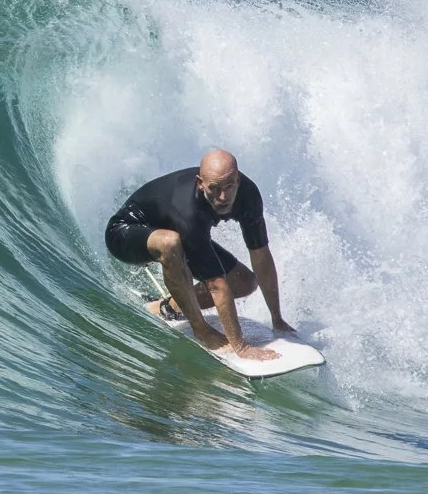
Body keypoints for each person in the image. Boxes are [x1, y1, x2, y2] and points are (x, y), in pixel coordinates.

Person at [105, 148, 294, 362]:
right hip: (126, 232)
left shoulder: (248, 195)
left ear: (238, 179)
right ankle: (201, 330)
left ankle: (168, 308)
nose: (222, 197)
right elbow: (216, 285)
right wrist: (240, 347)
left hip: (174, 230)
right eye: (214, 188)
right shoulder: (189, 212)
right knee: (170, 243)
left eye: (229, 186)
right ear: (200, 183)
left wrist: (276, 318)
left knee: (245, 282)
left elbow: (261, 255)